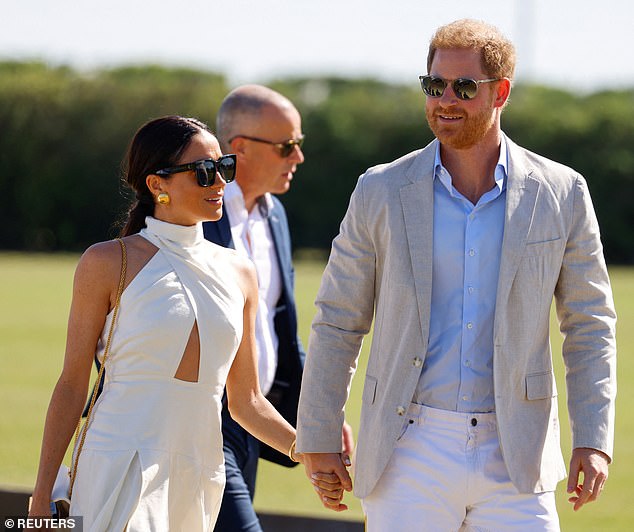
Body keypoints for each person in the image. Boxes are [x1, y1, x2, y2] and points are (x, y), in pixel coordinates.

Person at [297, 19, 617, 531]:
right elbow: (338, 320)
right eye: (434, 85)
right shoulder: (379, 190)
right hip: (408, 447)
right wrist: (317, 433)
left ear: (501, 92)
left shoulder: (563, 192)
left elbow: (590, 324)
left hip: (518, 451)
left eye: (464, 87)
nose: (445, 99)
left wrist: (593, 438)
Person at [28, 115, 311, 530]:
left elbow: (246, 401)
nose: (219, 183)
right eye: (203, 172)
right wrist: (41, 497)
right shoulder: (107, 262)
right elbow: (72, 386)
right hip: (118, 463)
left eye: (224, 167)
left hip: (199, 468)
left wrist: (306, 451)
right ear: (156, 185)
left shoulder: (239, 272)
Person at [203, 84, 354, 530]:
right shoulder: (196, 214)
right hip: (202, 426)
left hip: (256, 421)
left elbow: (284, 329)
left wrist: (320, 414)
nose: (298, 157)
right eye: (287, 146)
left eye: (299, 144)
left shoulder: (275, 216)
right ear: (240, 149)